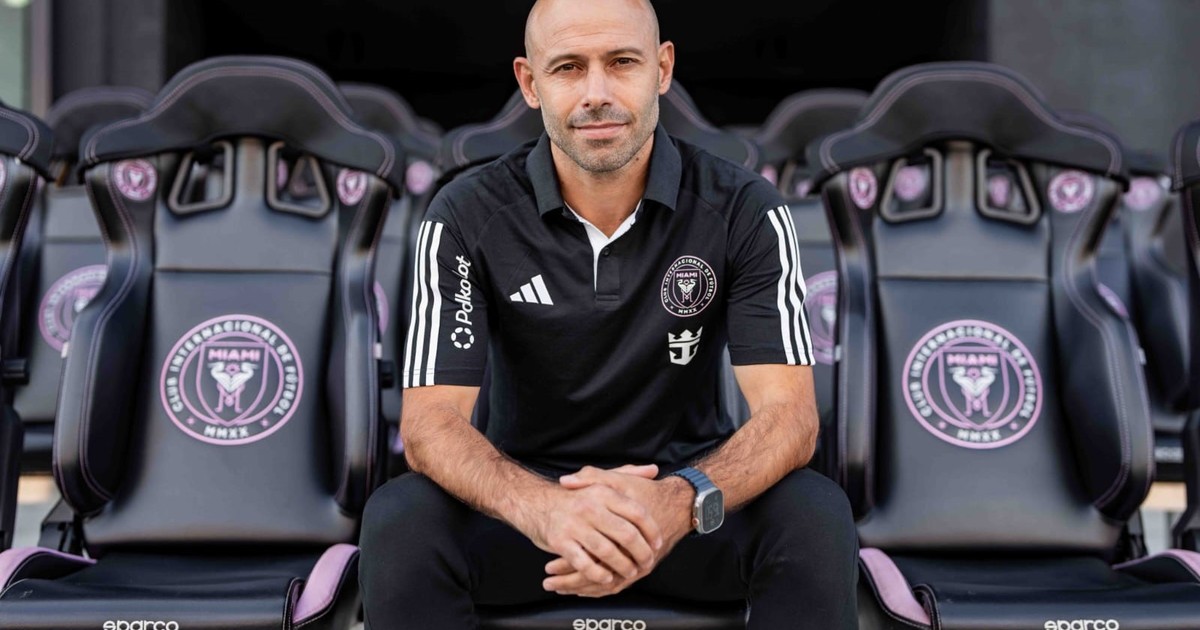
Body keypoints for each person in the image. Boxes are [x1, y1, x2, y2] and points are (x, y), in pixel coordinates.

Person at [359, 0, 858, 627]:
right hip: (523, 517)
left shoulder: (746, 208)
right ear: (530, 83)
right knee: (400, 519)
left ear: (662, 69)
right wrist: (547, 509)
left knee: (813, 513)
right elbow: (430, 423)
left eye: (622, 62)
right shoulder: (464, 213)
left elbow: (791, 418)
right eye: (568, 67)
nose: (597, 93)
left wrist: (676, 502)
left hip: (686, 511)